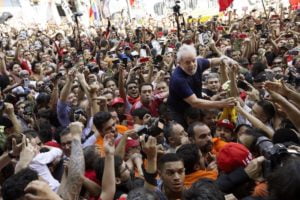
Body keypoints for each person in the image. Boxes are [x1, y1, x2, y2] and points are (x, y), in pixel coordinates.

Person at [167, 44, 235, 126]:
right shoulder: (178, 79)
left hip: (195, 107)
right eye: (187, 62)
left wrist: (223, 60)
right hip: (180, 112)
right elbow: (195, 102)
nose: (192, 65)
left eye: (193, 60)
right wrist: (222, 103)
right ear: (179, 63)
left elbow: (212, 61)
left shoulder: (198, 63)